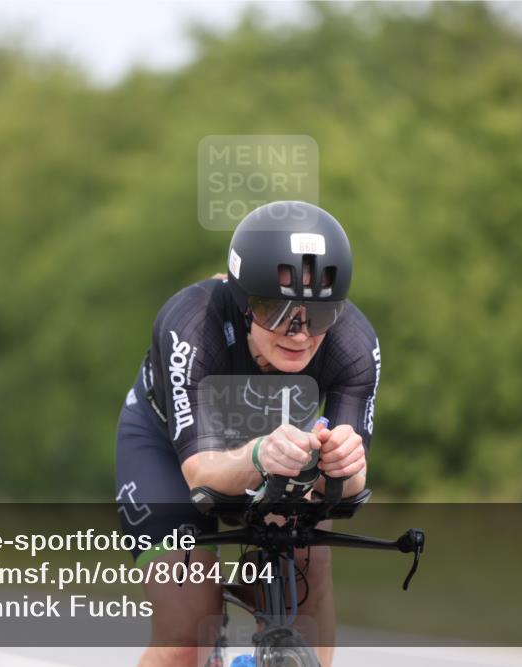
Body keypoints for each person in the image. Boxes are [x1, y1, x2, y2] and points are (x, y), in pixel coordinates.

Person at [115, 201, 381, 667]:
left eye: (318, 315)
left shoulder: (354, 343)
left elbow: (348, 490)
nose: (299, 333)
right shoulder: (191, 324)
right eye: (276, 312)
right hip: (170, 450)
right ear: (241, 302)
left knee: (309, 582)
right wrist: (258, 454)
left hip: (281, 452)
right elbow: (201, 473)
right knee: (186, 635)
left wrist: (346, 466)